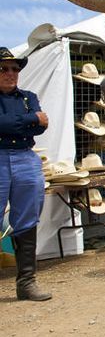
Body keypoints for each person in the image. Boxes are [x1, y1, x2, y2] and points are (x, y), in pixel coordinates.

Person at [0, 47, 51, 301]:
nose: (11, 73)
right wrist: (30, 119)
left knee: (28, 218)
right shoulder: (28, 104)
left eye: (15, 68)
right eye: (4, 68)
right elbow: (36, 122)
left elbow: (42, 128)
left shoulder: (28, 96)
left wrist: (15, 122)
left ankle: (26, 282)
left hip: (25, 158)